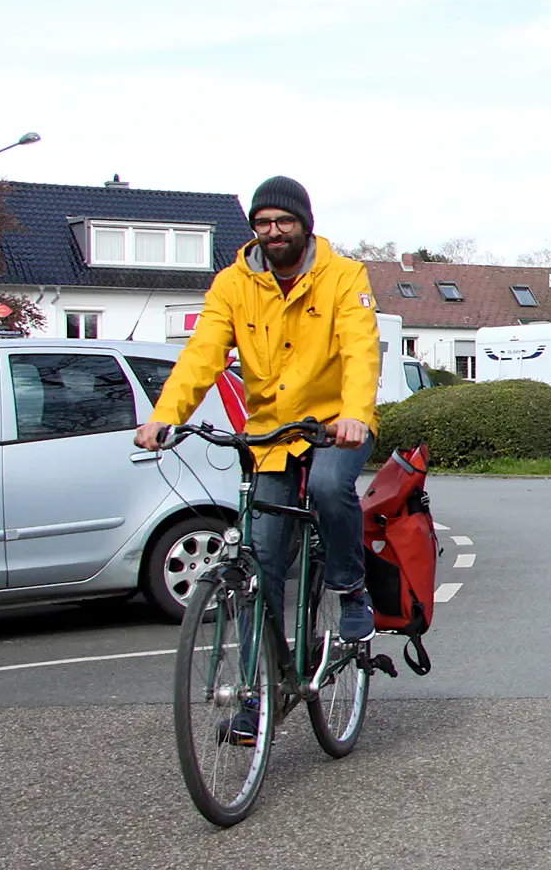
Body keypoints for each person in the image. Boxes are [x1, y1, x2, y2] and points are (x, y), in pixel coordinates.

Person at [136, 175, 382, 665]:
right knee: (261, 563)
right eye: (263, 222)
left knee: (331, 489)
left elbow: (361, 350)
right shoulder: (233, 284)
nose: (273, 231)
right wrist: (165, 417)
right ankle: (256, 694)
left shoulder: (344, 276)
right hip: (270, 436)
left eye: (284, 221)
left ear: (305, 226)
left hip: (336, 427)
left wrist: (354, 414)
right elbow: (201, 355)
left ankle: (350, 586)